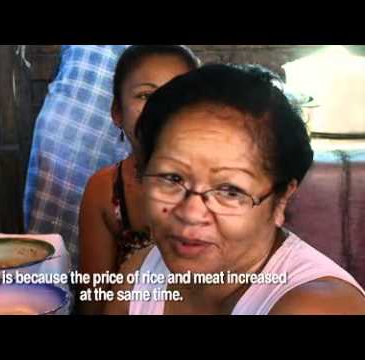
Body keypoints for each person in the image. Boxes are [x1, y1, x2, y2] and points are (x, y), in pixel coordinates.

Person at [105, 63, 365, 315]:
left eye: (230, 191)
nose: (191, 213)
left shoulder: (319, 306)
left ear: (282, 199)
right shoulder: (140, 274)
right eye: (172, 178)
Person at [78, 45, 200, 314]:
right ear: (117, 113)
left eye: (177, 94)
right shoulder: (105, 191)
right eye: (145, 95)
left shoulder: (223, 188)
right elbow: (94, 302)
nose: (161, 108)